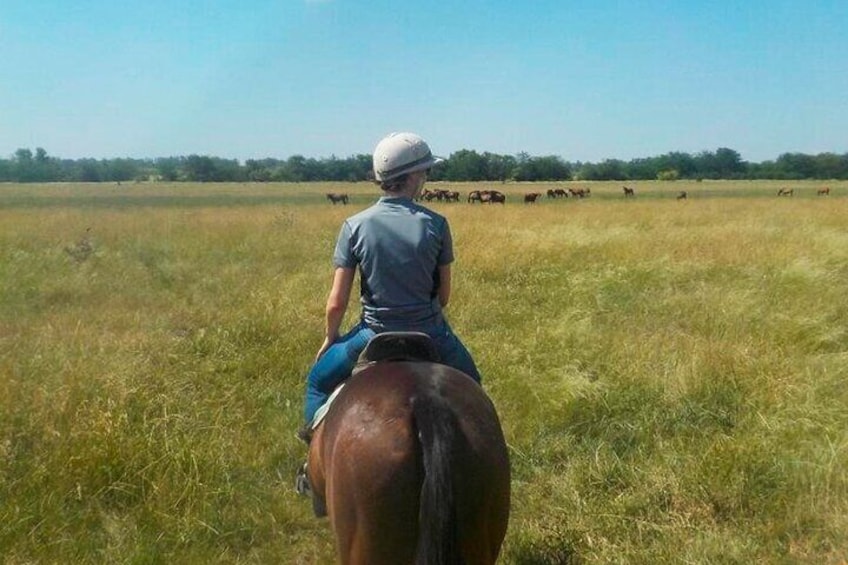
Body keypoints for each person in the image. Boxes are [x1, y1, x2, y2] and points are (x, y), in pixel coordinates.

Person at [299, 132, 482, 442]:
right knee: (473, 385)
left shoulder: (354, 225)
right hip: (431, 332)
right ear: (411, 176)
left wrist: (330, 338)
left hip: (372, 333)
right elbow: (444, 296)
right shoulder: (436, 224)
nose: (425, 177)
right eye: (424, 171)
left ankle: (311, 459)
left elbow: (336, 303)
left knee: (317, 382)